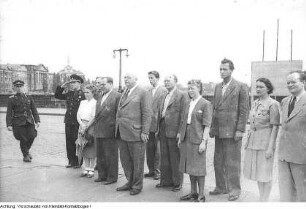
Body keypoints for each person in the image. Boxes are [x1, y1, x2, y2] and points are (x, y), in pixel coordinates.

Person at [209, 58, 249, 201]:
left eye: (225, 69)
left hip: (232, 132)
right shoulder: (217, 87)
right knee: (218, 161)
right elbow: (214, 109)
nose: (222, 71)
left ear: (231, 70)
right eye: (220, 69)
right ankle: (221, 187)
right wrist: (212, 128)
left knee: (232, 162)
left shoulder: (241, 86)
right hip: (219, 131)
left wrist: (240, 130)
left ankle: (235, 190)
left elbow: (244, 111)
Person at [243, 78, 280, 201]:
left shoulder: (273, 104)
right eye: (256, 87)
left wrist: (270, 147)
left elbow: (275, 127)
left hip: (265, 142)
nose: (258, 89)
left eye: (261, 87)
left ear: (268, 88)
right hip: (253, 141)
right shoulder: (254, 102)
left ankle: (265, 200)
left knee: (266, 173)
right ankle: (261, 198)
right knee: (258, 173)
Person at [115, 73, 152, 195]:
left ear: (136, 79)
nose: (126, 79)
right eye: (125, 77)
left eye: (129, 77)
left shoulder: (143, 92)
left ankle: (137, 185)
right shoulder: (125, 92)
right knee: (125, 160)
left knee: (137, 161)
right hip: (122, 132)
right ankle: (129, 182)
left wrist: (145, 131)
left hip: (136, 132)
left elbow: (147, 113)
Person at [178, 80, 212, 202]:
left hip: (198, 139)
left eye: (193, 88)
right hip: (186, 138)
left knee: (199, 167)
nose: (190, 91)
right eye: (189, 89)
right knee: (189, 166)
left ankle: (201, 195)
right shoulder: (188, 103)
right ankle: (193, 192)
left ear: (199, 88)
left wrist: (204, 141)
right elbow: (183, 121)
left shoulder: (205, 103)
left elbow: (207, 125)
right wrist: (180, 136)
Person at [278, 71, 306, 201]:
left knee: (302, 191)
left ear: (303, 82)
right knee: (285, 191)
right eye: (288, 83)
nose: (290, 85)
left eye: (293, 82)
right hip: (284, 155)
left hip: (301, 155)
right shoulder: (284, 101)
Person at [156, 74, 187, 192]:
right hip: (163, 127)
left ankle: (177, 182)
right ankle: (165, 181)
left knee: (175, 157)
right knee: (164, 156)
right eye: (165, 81)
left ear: (175, 81)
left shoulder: (182, 95)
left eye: (169, 80)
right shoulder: (163, 95)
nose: (166, 82)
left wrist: (180, 132)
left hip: (174, 129)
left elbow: (184, 115)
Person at [94, 77, 120, 185]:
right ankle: (102, 175)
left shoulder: (117, 96)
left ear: (110, 84)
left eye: (103, 84)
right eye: (100, 85)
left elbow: (118, 114)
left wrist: (116, 129)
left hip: (110, 130)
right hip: (99, 129)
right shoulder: (100, 95)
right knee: (100, 154)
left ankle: (112, 177)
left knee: (110, 155)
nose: (101, 86)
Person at [55, 74, 85, 168]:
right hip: (68, 120)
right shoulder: (69, 93)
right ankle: (71, 161)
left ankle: (78, 162)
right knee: (69, 142)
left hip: (77, 122)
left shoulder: (83, 94)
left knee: (77, 142)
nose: (71, 84)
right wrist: (62, 85)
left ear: (79, 83)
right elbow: (57, 95)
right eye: (70, 82)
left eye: (74, 82)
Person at [6, 80, 40, 162]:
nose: (19, 88)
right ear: (14, 88)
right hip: (18, 122)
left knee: (32, 136)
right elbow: (9, 113)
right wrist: (9, 124)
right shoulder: (12, 99)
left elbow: (34, 110)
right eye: (17, 86)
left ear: (23, 87)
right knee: (23, 139)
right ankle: (25, 156)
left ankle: (26, 152)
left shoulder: (29, 97)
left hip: (29, 121)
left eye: (20, 86)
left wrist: (37, 120)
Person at [145, 71, 167, 180]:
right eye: (149, 78)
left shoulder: (163, 90)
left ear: (157, 78)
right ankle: (151, 170)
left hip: (158, 123)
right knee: (149, 149)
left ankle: (158, 171)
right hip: (148, 124)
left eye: (152, 78)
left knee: (158, 150)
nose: (150, 80)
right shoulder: (148, 91)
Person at [76, 84, 97, 178]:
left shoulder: (95, 103)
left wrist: (86, 126)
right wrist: (81, 124)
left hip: (90, 126)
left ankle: (91, 169)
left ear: (93, 93)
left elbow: (94, 116)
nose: (86, 94)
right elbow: (78, 114)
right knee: (82, 146)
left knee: (90, 147)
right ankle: (86, 167)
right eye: (85, 92)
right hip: (82, 125)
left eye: (88, 92)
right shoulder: (82, 102)